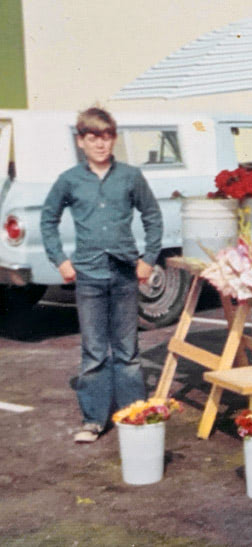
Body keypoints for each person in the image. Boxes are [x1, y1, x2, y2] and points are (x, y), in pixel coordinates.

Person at [40, 107, 163, 443]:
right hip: (89, 275)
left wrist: (149, 259)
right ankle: (93, 420)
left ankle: (134, 415)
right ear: (81, 141)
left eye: (107, 136)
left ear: (114, 139)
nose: (100, 143)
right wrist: (60, 261)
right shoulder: (69, 180)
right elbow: (47, 220)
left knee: (127, 350)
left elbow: (153, 217)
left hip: (125, 274)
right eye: (93, 137)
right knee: (94, 351)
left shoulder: (130, 176)